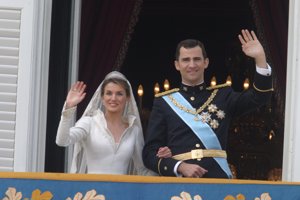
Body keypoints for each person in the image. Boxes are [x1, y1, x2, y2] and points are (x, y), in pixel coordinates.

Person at [142, 29, 273, 178]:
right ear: (177, 65)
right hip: (179, 185)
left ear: (206, 62)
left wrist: (260, 58)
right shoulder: (164, 102)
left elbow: (259, 97)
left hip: (217, 180)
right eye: (186, 60)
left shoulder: (223, 96)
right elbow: (149, 154)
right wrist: (179, 166)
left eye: (197, 59)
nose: (192, 64)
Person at [56, 71, 170, 175]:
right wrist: (68, 108)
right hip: (93, 193)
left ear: (128, 98)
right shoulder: (89, 123)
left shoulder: (133, 130)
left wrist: (164, 163)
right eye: (109, 93)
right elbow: (62, 140)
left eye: (119, 94)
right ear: (102, 97)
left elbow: (142, 170)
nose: (113, 98)